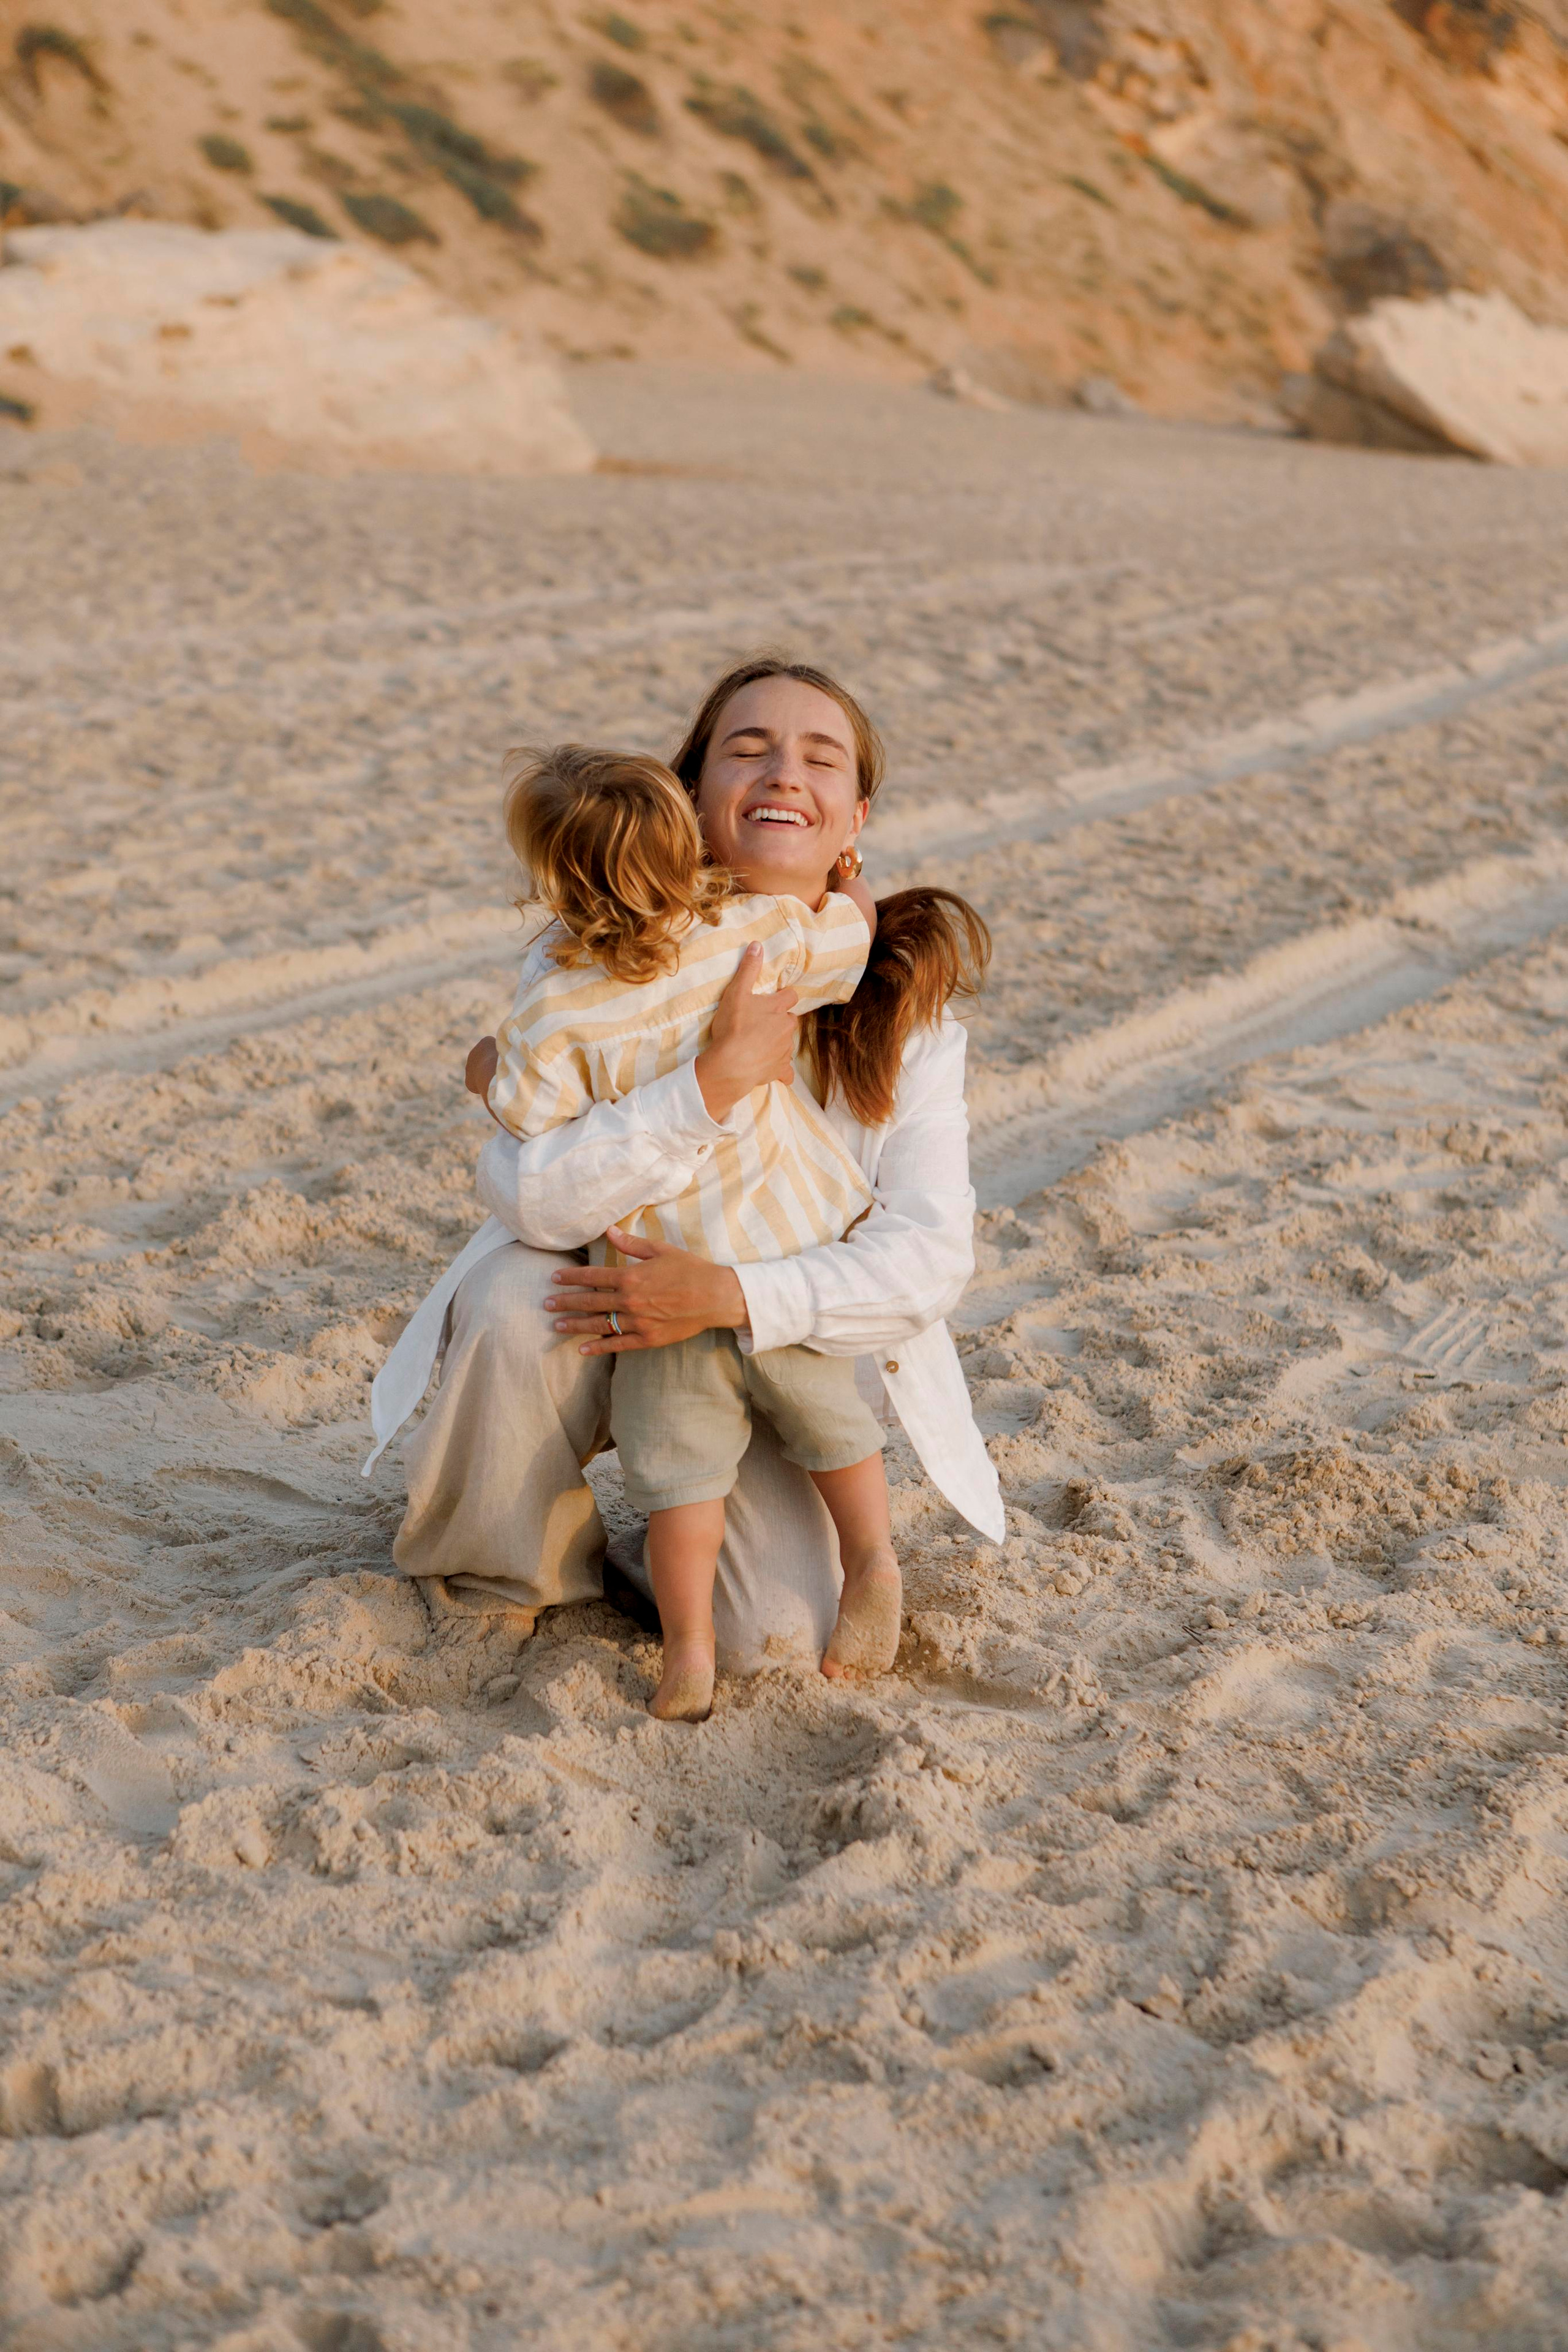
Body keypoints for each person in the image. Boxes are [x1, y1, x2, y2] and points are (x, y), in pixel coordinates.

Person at [365, 657, 1006, 1677]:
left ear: (853, 820)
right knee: (508, 1302)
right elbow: (529, 1193)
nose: (784, 772)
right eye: (746, 751)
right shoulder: (592, 959)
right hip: (598, 1289)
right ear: (692, 800)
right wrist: (707, 1088)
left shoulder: (908, 1022)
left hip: (768, 1333)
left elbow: (927, 1260)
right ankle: (499, 1573)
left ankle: (646, 1555)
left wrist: (724, 1295)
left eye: (819, 757)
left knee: (777, 1640)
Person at [485, 741, 897, 1721]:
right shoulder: (748, 933)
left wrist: (483, 1069)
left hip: (654, 1278)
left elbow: (522, 1117)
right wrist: (850, 877)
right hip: (782, 1246)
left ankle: (689, 1654)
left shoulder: (554, 1006)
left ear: (553, 880)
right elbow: (852, 939)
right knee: (837, 1427)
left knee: (677, 1478)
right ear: (686, 845)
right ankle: (875, 1558)